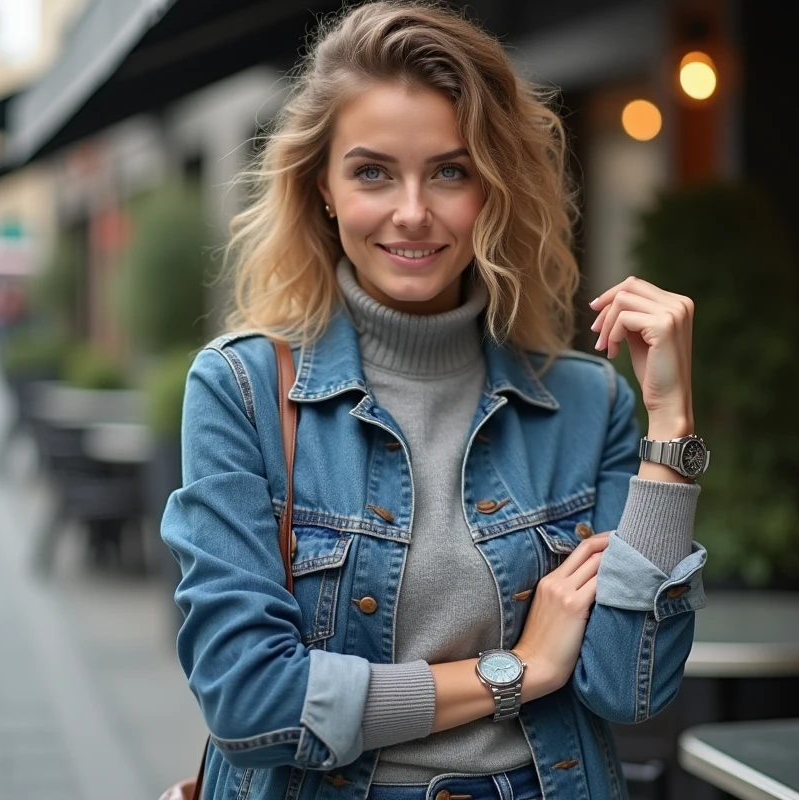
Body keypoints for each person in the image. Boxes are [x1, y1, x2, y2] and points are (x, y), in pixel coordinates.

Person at [161, 4, 710, 799]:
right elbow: (249, 701)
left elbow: (627, 688)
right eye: (373, 171)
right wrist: (513, 672)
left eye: (450, 171)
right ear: (323, 187)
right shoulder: (241, 392)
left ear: (493, 188)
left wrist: (671, 432)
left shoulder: (587, 404)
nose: (412, 211)